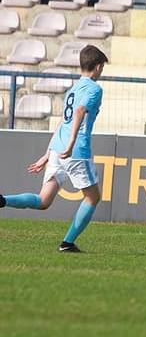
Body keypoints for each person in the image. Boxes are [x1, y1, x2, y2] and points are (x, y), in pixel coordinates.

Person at [0, 45, 109, 253]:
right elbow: (78, 113)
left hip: (58, 149)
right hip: (75, 150)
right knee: (93, 197)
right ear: (98, 66)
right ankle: (67, 243)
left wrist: (47, 153)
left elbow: (63, 121)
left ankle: (3, 201)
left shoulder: (73, 90)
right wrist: (70, 145)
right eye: (102, 68)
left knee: (43, 201)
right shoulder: (94, 89)